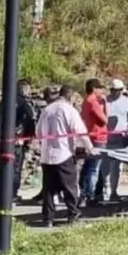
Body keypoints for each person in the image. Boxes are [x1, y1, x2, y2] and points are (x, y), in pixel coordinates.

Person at [37, 85, 97, 227]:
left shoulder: (47, 109)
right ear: (70, 96)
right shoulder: (69, 110)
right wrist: (90, 148)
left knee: (49, 190)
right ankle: (73, 215)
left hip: (47, 156)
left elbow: (38, 132)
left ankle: (48, 218)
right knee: (70, 187)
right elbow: (80, 130)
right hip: (64, 154)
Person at [0, 78, 37, 206]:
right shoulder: (23, 103)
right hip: (17, 141)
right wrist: (30, 138)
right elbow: (30, 120)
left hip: (2, 141)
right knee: (15, 169)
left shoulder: (3, 102)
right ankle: (12, 195)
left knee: (1, 169)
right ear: (24, 90)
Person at [96, 79, 128, 202]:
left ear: (121, 90)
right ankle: (105, 191)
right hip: (106, 139)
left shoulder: (127, 103)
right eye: (113, 90)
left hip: (120, 139)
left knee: (116, 167)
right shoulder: (104, 102)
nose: (115, 92)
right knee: (104, 166)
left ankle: (114, 192)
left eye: (117, 90)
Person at [79, 78, 108, 206]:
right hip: (98, 137)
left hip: (90, 135)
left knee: (88, 166)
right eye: (100, 88)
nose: (102, 91)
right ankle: (90, 194)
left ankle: (84, 192)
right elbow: (105, 119)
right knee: (94, 168)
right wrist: (106, 104)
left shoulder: (85, 101)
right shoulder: (93, 102)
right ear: (94, 88)